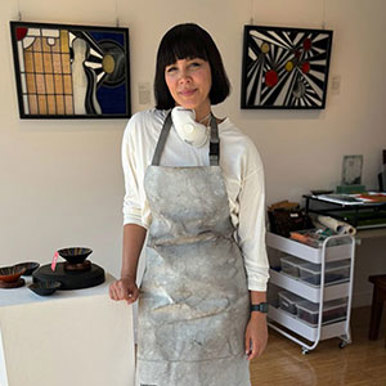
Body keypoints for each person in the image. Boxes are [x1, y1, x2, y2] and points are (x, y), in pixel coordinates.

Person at [109, 23, 270, 386]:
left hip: (224, 305)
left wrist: (258, 313)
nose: (184, 79)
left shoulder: (241, 148)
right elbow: (136, 208)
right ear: (163, 78)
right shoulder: (141, 130)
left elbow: (253, 238)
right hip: (162, 300)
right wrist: (128, 275)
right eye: (172, 69)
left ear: (213, 68)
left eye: (194, 64)